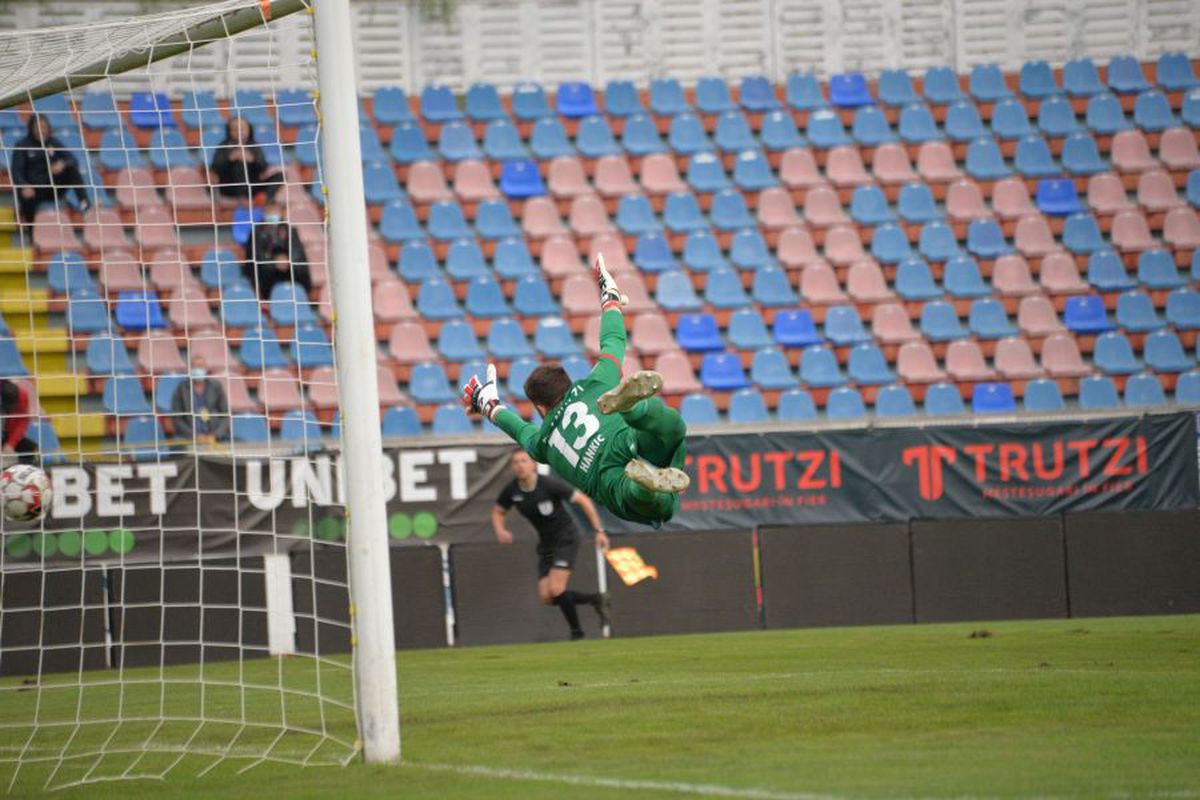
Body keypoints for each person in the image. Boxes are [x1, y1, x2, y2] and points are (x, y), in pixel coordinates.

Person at [464, 255, 690, 527]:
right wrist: (611, 300)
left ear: (540, 408)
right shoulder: (594, 384)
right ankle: (635, 409)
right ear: (568, 383)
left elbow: (518, 428)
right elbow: (613, 341)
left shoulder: (544, 442)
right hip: (625, 438)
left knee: (653, 504)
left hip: (605, 475)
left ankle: (642, 486)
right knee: (672, 427)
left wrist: (488, 405)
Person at [493, 450, 611, 641]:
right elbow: (498, 511)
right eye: (515, 462)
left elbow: (583, 500)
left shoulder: (548, 484)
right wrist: (500, 530)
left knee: (556, 589)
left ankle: (577, 633)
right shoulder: (512, 490)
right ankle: (595, 599)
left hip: (566, 537)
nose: (520, 465)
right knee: (546, 597)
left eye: (524, 461)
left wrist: (599, 531)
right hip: (546, 544)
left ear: (534, 465)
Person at [10, 114, 90, 224]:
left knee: (72, 169)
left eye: (44, 127)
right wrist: (24, 185)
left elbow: (73, 160)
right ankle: (32, 232)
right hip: (34, 189)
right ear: (31, 128)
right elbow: (16, 171)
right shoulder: (22, 145)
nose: (41, 130)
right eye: (37, 127)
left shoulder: (53, 142)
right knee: (26, 195)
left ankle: (85, 206)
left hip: (52, 187)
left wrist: (62, 164)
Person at [244, 202, 312, 300]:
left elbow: (297, 253)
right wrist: (274, 262)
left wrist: (287, 261)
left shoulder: (290, 230)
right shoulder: (256, 233)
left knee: (300, 271)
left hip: (289, 270)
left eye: (275, 214)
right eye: (270, 214)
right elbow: (255, 258)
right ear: (264, 215)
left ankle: (299, 297)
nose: (273, 218)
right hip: (267, 273)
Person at [210, 116, 283, 206]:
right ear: (229, 131)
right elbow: (215, 168)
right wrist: (230, 159)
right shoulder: (223, 146)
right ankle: (244, 200)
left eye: (242, 128)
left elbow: (264, 167)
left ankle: (265, 198)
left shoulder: (254, 145)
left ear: (249, 130)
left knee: (280, 176)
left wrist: (252, 160)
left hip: (253, 186)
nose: (239, 132)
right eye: (235, 129)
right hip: (231, 187)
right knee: (240, 163)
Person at [169, 356, 230, 444]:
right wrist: (195, 436)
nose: (198, 370)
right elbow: (177, 419)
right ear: (190, 369)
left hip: (216, 437)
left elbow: (225, 415)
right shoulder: (181, 389)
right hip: (190, 438)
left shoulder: (216, 386)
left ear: (206, 368)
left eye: (200, 366)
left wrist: (216, 435)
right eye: (195, 367)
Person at [0, 379, 37, 462]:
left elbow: (22, 421)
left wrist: (10, 444)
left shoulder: (22, 395)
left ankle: (24, 471)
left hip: (8, 432)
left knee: (28, 447)